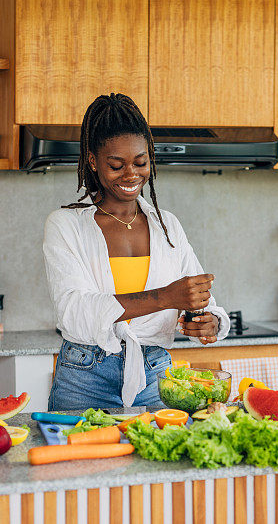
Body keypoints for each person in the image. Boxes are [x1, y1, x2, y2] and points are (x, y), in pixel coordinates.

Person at [43, 93, 230, 410]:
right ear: (93, 161)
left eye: (140, 162)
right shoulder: (66, 225)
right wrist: (167, 297)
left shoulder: (166, 225)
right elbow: (74, 311)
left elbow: (198, 297)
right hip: (84, 379)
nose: (131, 175)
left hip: (156, 374)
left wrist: (208, 320)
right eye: (116, 165)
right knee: (80, 461)